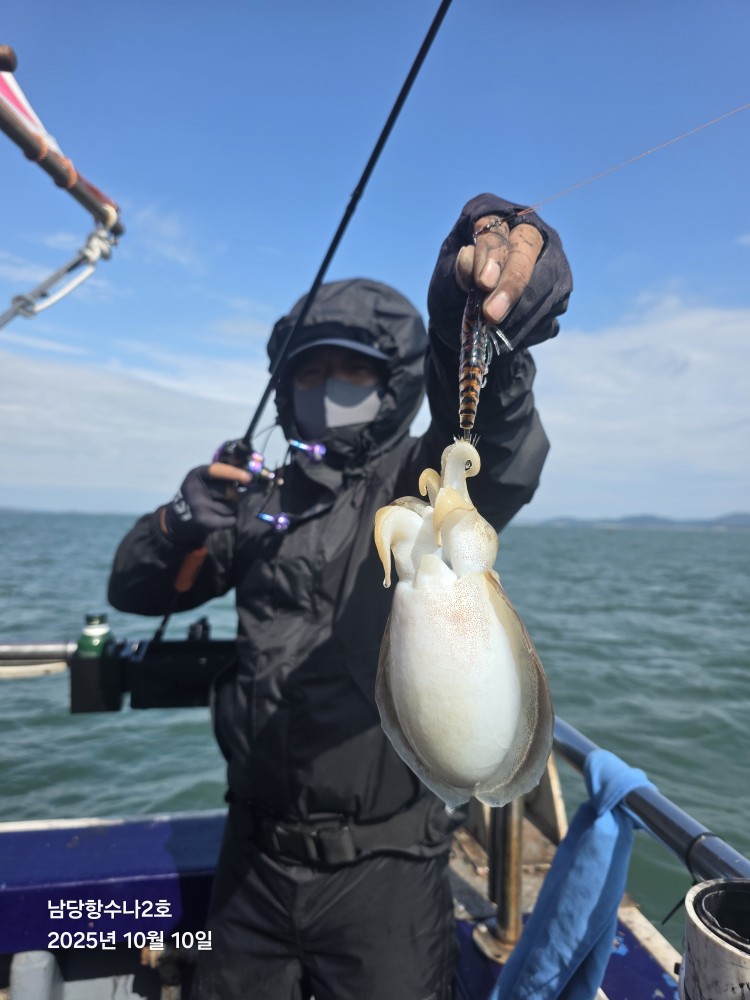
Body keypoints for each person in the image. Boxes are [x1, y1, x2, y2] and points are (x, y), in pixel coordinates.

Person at [108, 193, 573, 1000]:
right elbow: (135, 590)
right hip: (253, 855)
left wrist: (471, 326)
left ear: (391, 383)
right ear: (285, 388)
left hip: (388, 867)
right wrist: (180, 520)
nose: (329, 388)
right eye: (310, 372)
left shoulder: (414, 484)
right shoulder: (257, 503)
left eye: (353, 372)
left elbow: (490, 445)